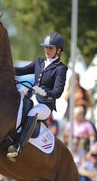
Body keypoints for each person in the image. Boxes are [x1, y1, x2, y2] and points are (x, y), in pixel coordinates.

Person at [6, 33, 68, 161]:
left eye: (50, 48)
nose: (47, 50)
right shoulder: (39, 62)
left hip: (45, 105)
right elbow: (21, 71)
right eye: (46, 47)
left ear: (59, 50)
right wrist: (4, 67)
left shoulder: (61, 68)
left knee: (33, 112)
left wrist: (44, 92)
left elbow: (58, 92)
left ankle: (18, 146)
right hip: (30, 98)